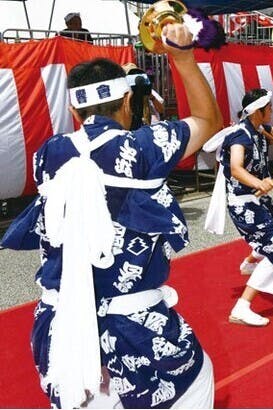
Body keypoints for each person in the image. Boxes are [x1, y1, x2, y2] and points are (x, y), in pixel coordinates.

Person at [1, 24, 223, 408]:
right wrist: (183, 58)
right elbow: (208, 121)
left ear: (73, 110)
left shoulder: (46, 157)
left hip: (60, 329)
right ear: (126, 102)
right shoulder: (144, 147)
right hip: (135, 329)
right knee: (195, 380)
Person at [205, 88, 273, 326]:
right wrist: (259, 183)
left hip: (257, 198)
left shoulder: (262, 128)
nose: (272, 111)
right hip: (242, 202)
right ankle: (242, 307)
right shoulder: (240, 136)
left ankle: (250, 262)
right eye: (269, 108)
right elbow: (236, 169)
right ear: (258, 111)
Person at [122, 63, 165, 128]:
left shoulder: (146, 89)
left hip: (150, 126)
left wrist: (151, 97)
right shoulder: (123, 94)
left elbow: (161, 110)